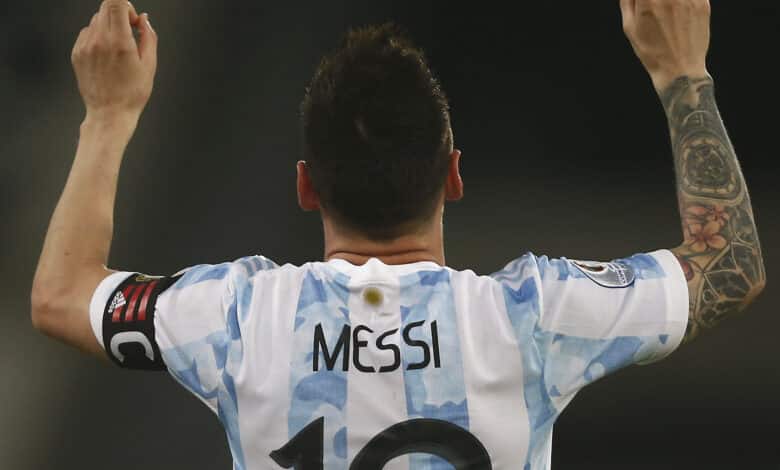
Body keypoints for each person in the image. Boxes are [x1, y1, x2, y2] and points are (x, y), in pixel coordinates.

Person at [31, 0, 765, 468]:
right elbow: (731, 264)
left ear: (306, 187)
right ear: (454, 176)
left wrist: (108, 115)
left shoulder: (238, 317)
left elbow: (62, 295)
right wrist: (681, 73)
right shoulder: (531, 318)